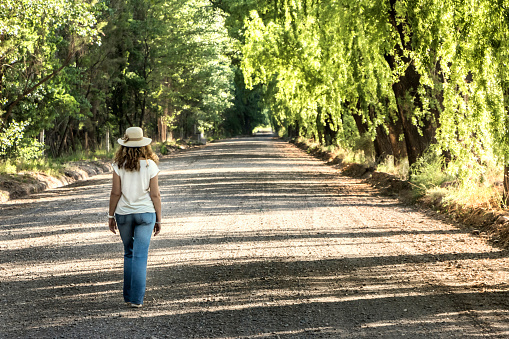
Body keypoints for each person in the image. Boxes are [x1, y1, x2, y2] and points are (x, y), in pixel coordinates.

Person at [108, 126, 162, 308]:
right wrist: (159, 219)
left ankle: (128, 296)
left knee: (129, 253)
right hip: (146, 214)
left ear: (124, 146)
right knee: (140, 255)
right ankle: (136, 300)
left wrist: (110, 215)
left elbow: (115, 193)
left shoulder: (118, 165)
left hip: (123, 214)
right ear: (143, 145)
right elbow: (155, 195)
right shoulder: (150, 165)